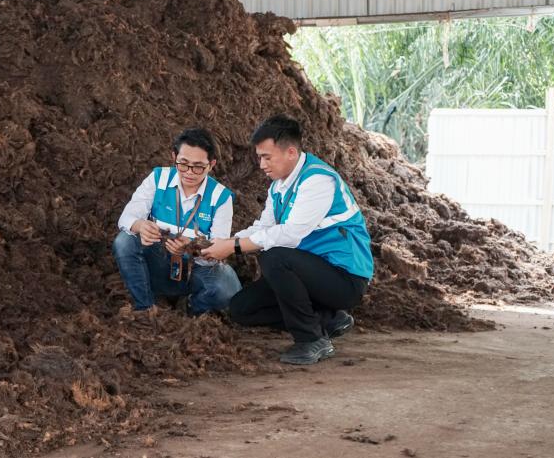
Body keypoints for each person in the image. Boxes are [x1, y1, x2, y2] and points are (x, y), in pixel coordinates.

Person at [201, 114, 373, 364]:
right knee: (242, 309)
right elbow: (263, 227)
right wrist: (220, 243)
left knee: (274, 256)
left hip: (345, 278)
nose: (261, 165)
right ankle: (329, 319)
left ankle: (312, 340)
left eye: (266, 157)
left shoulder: (317, 180)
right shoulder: (279, 186)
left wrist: (233, 247)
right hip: (310, 274)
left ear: (291, 152)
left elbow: (290, 235)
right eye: (260, 157)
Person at [113, 127, 242, 316]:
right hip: (160, 262)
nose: (189, 172)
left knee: (226, 287)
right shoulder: (158, 179)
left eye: (198, 167)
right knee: (124, 241)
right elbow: (127, 217)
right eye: (183, 164)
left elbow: (218, 250)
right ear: (174, 157)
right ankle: (146, 307)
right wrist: (141, 226)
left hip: (195, 271)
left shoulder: (220, 197)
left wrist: (190, 248)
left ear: (211, 164)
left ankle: (192, 309)